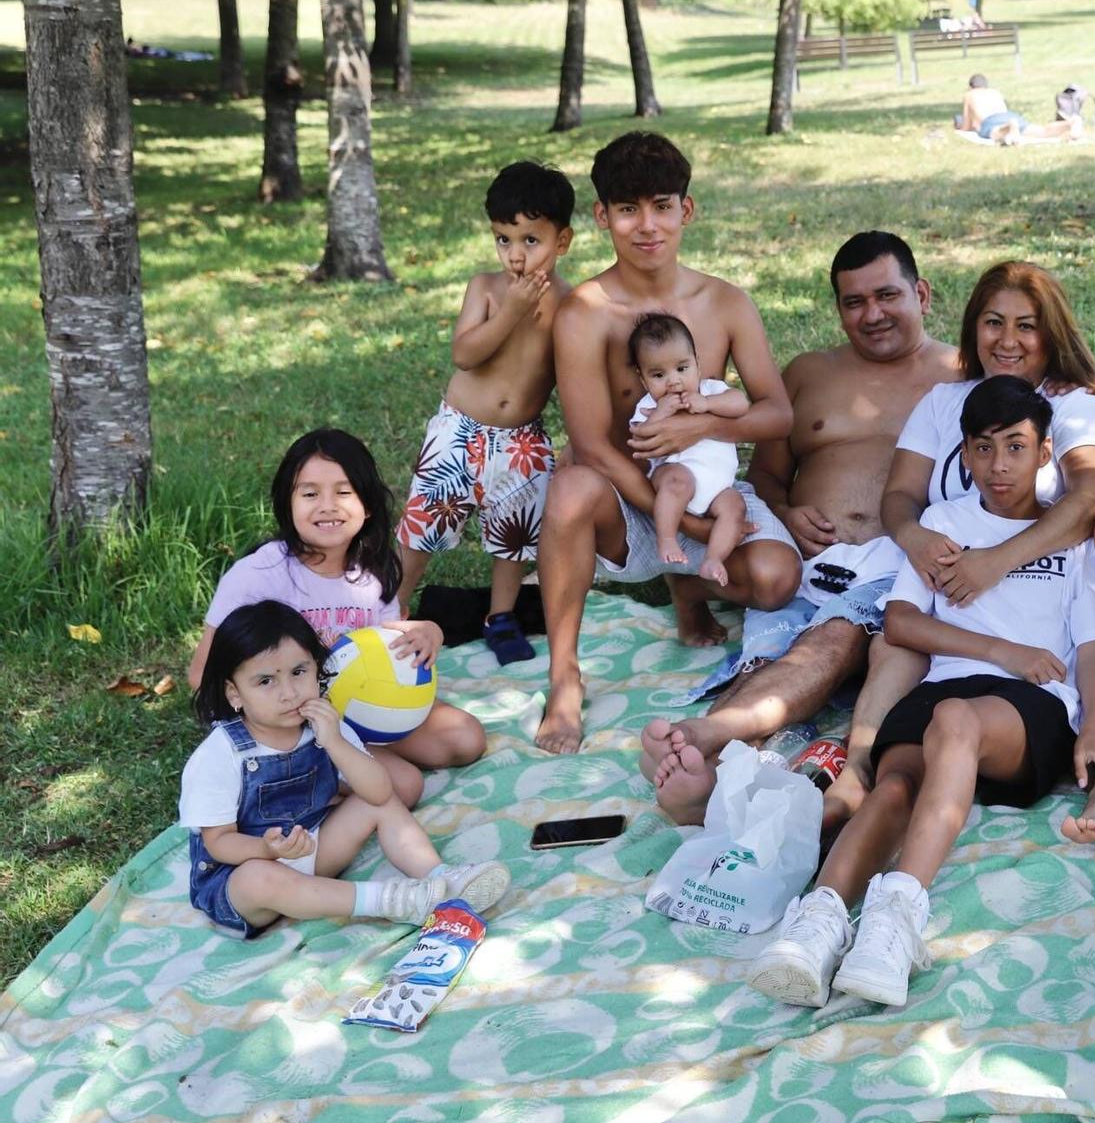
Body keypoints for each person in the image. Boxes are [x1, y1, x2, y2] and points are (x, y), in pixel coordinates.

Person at [746, 377, 1095, 1009]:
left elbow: (1092, 652)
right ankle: (817, 922)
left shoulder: (1072, 542)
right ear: (965, 453)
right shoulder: (943, 524)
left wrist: (1091, 727)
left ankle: (896, 919)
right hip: (948, 684)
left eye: (1015, 447)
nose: (998, 465)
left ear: (1044, 454)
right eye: (983, 448)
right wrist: (999, 649)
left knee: (956, 720)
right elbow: (901, 623)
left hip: (1028, 708)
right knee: (895, 783)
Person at [641, 231, 960, 824]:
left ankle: (706, 735)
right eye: (853, 302)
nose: (872, 314)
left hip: (897, 566)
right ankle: (703, 773)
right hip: (808, 560)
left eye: (887, 295)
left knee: (833, 639)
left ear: (922, 293)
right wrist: (786, 515)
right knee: (769, 656)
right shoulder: (809, 373)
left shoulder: (962, 376)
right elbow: (765, 477)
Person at [535, 131, 800, 754]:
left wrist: (703, 425)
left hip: (711, 491)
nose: (645, 225)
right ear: (603, 217)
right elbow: (593, 444)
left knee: (776, 579)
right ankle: (564, 676)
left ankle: (688, 591)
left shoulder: (726, 302)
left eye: (661, 204)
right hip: (631, 501)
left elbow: (777, 413)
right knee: (571, 486)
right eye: (627, 209)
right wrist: (676, 521)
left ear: (687, 208)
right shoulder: (586, 311)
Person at [861, 260, 1095, 843]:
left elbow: (1092, 495)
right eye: (993, 322)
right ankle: (859, 767)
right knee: (891, 640)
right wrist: (917, 541)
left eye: (1026, 326)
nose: (1007, 341)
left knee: (1089, 675)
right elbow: (901, 497)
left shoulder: (1071, 404)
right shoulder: (944, 401)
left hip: (1051, 596)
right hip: (952, 600)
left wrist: (995, 561)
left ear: (1050, 334)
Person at [189, 429, 486, 807]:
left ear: (368, 505)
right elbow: (202, 674)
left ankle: (350, 765)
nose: (327, 506)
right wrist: (273, 722)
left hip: (358, 704)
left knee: (466, 739)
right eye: (310, 493)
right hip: (293, 718)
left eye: (344, 492)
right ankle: (297, 784)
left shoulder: (373, 570)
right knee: (405, 787)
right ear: (287, 503)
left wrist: (427, 632)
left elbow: (382, 643)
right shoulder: (256, 576)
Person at [183, 601, 509, 938]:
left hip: (313, 850)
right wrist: (266, 850)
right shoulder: (220, 754)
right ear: (234, 693)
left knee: (374, 802)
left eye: (299, 672)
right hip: (243, 881)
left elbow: (380, 793)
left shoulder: (324, 724)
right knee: (260, 878)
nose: (289, 693)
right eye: (266, 681)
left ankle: (441, 877)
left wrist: (336, 743)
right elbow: (219, 843)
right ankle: (392, 901)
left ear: (318, 668)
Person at [394, 161, 572, 664]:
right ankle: (395, 599)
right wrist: (512, 311)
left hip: (522, 438)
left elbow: (569, 373)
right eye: (503, 240)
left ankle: (501, 615)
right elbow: (466, 354)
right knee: (424, 520)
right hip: (460, 429)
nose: (515, 256)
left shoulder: (570, 304)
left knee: (514, 535)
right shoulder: (486, 289)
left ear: (562, 242)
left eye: (530, 241)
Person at [627, 312, 750, 584]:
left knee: (734, 506)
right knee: (678, 481)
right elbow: (642, 438)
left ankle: (714, 559)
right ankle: (667, 538)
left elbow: (741, 403)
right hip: (674, 474)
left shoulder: (710, 390)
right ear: (643, 378)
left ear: (697, 363)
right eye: (659, 374)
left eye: (682, 368)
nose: (674, 381)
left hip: (718, 488)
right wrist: (661, 413)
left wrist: (708, 405)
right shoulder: (647, 406)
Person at [953, 74, 1080, 145]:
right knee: (1042, 131)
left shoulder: (969, 95)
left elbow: (966, 124)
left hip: (991, 121)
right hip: (1009, 115)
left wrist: (962, 129)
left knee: (996, 133)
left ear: (971, 86)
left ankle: (1009, 127)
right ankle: (1070, 123)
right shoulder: (995, 92)